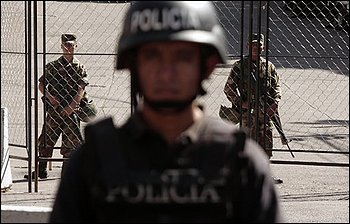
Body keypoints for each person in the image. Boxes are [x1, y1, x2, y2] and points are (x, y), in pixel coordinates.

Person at [50, 2, 284, 223]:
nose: (166, 73)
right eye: (152, 56)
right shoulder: (91, 164)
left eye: (182, 56)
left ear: (208, 65)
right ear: (132, 64)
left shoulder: (242, 165)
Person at [223, 33, 284, 184]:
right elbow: (228, 88)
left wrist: (275, 102)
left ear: (263, 47)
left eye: (259, 45)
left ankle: (264, 174)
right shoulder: (240, 66)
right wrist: (239, 102)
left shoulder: (269, 66)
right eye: (253, 45)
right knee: (247, 143)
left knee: (266, 142)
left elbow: (276, 86)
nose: (256, 48)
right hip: (247, 112)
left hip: (264, 112)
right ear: (248, 47)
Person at [25, 33, 88, 179]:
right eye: (65, 45)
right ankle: (41, 170)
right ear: (61, 46)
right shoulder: (53, 66)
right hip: (54, 111)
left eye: (71, 45)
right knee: (46, 141)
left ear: (76, 46)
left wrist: (72, 106)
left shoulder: (80, 68)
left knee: (70, 145)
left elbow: (81, 89)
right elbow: (41, 83)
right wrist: (50, 97)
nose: (68, 48)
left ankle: (66, 174)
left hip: (71, 113)